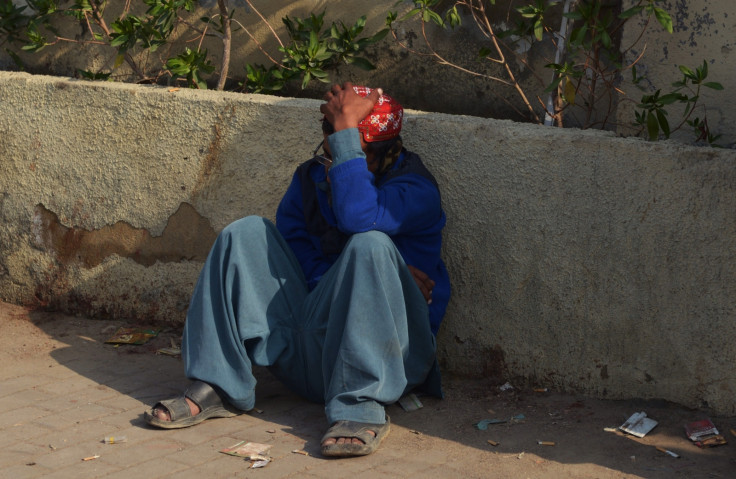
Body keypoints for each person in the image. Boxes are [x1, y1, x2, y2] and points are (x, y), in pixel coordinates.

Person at [144, 82, 451, 457]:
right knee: (245, 232)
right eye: (333, 150)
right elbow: (301, 262)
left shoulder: (415, 191)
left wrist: (380, 269)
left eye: (353, 151)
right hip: (312, 348)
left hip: (389, 364)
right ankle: (219, 384)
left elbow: (359, 216)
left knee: (370, 246)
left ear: (389, 153)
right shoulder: (310, 180)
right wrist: (352, 277)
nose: (336, 165)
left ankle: (360, 408)